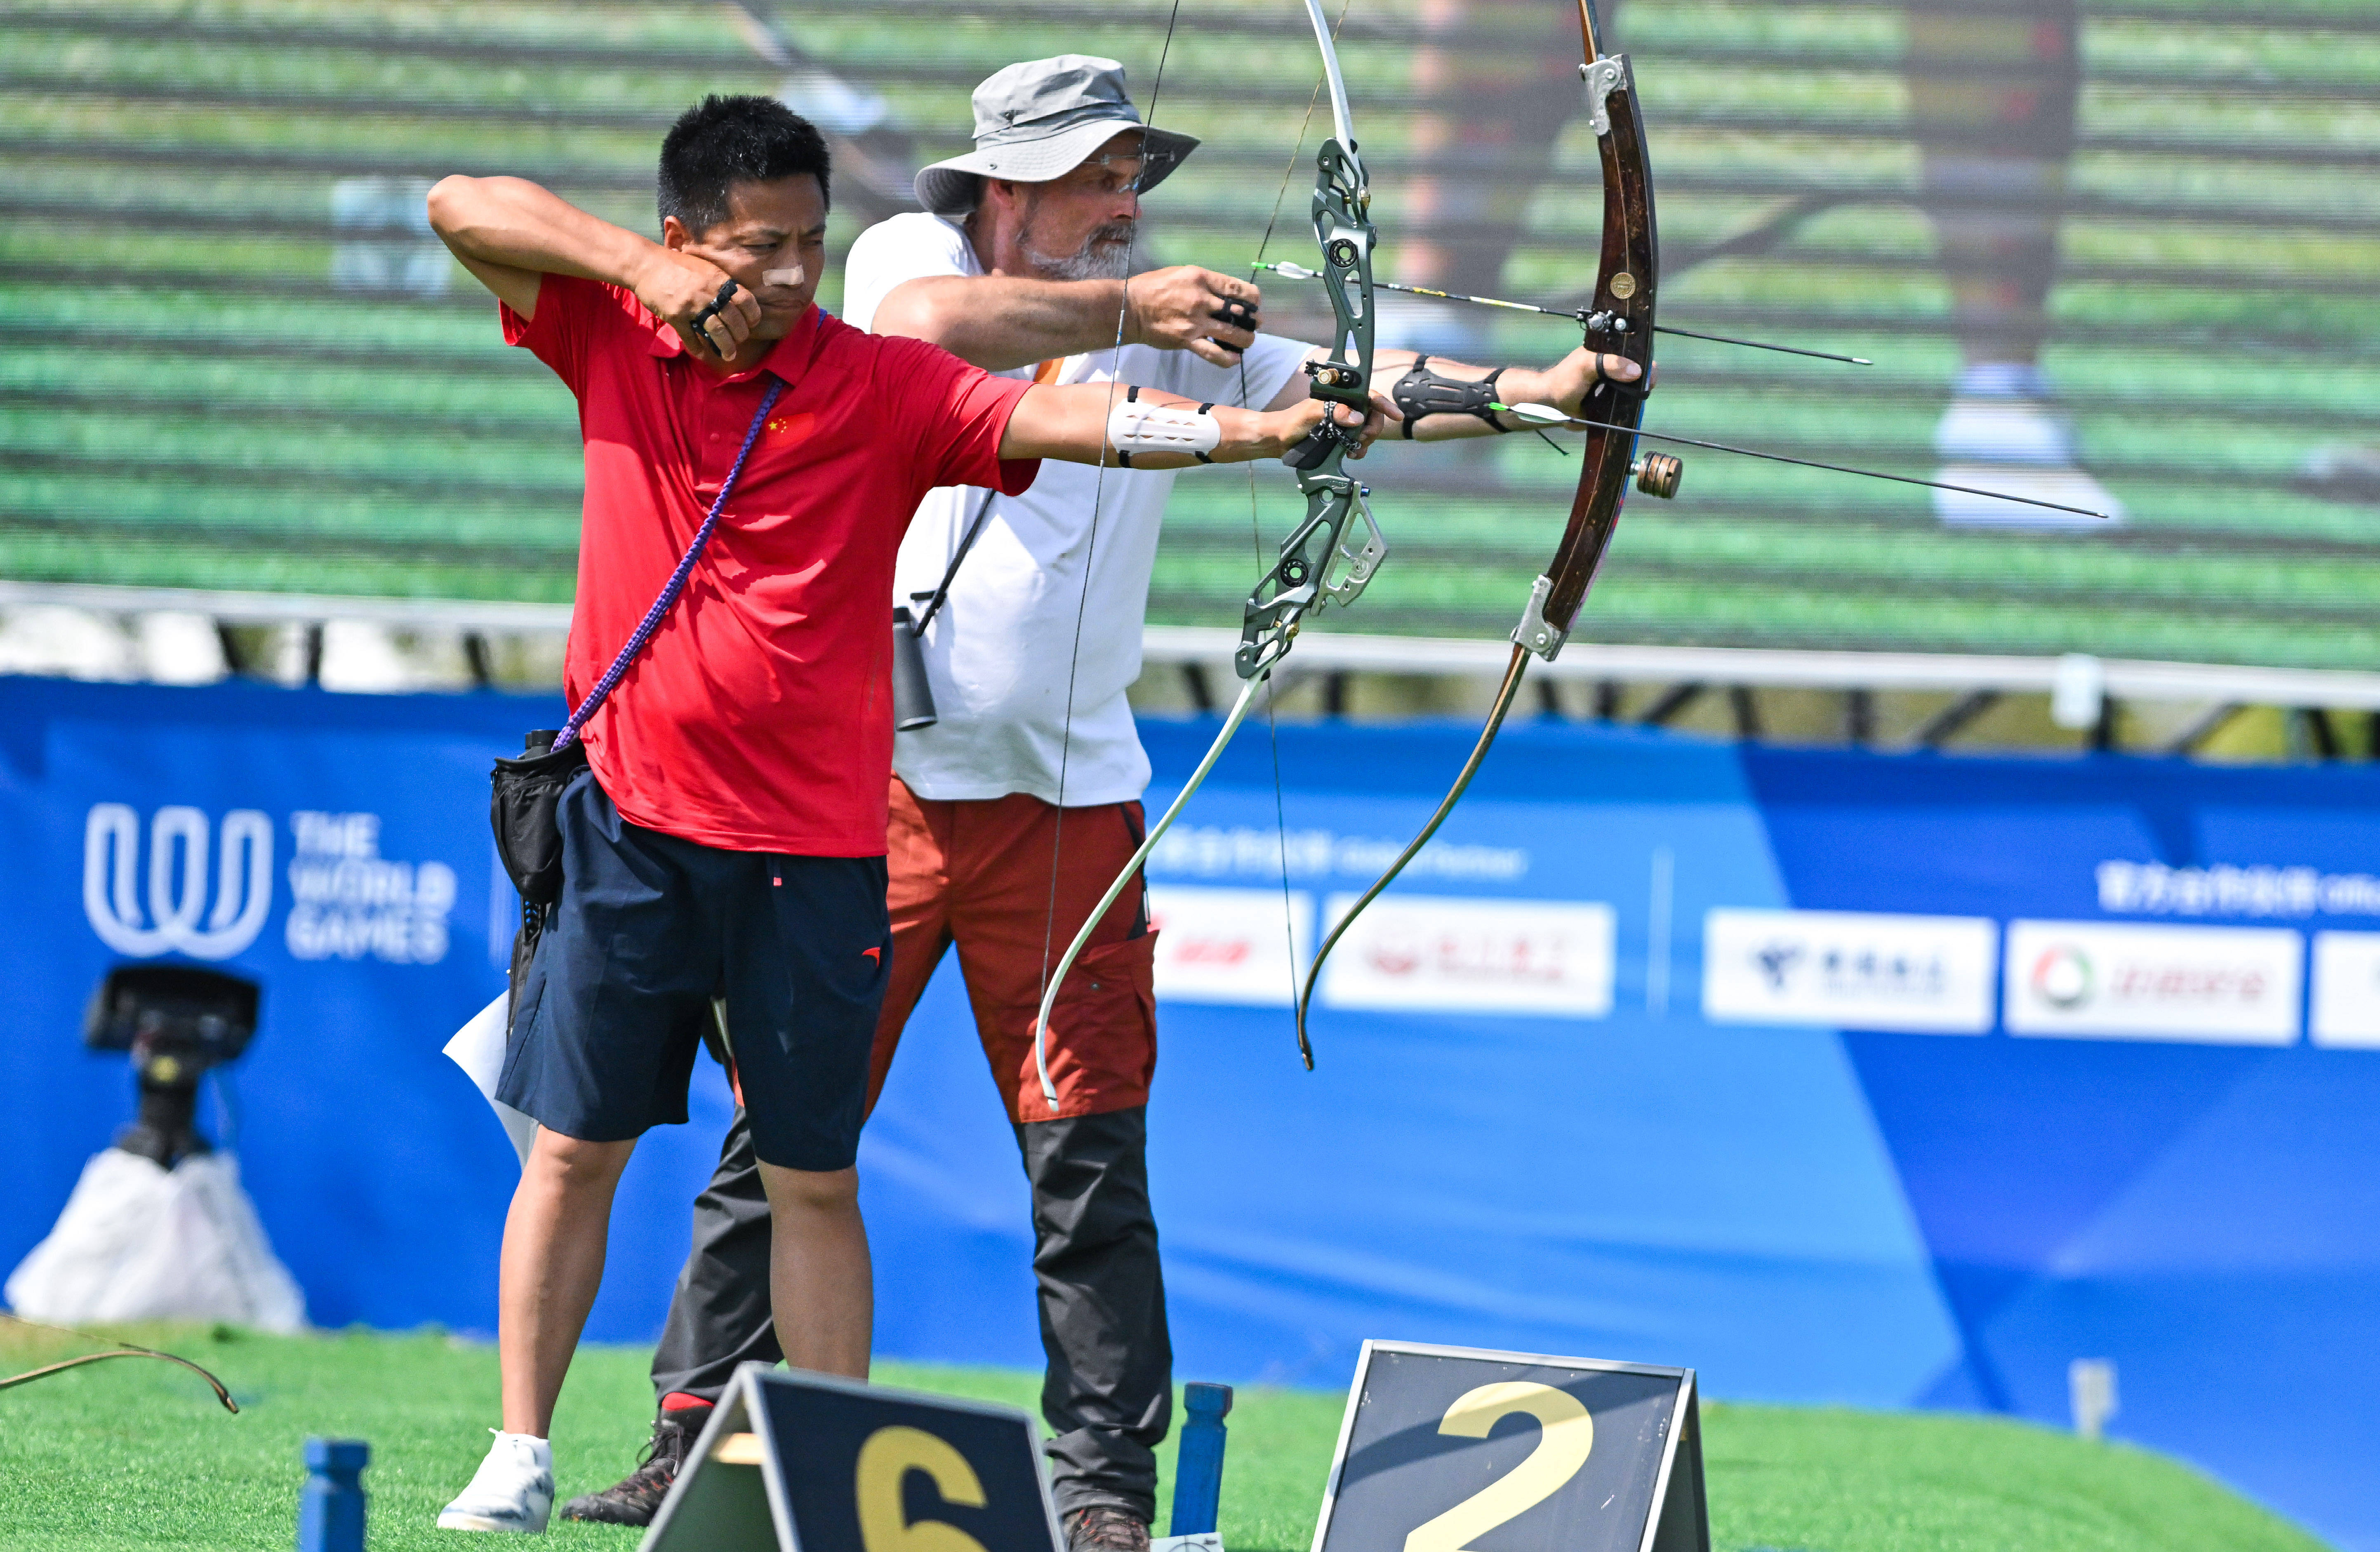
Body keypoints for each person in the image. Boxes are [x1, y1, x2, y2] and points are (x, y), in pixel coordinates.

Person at [558, 59, 1648, 1551]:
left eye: (1134, 175)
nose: (1125, 203)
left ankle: (1101, 1487)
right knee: (785, 1143)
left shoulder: (1178, 320)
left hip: (1069, 811)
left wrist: (1532, 395)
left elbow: (1348, 394)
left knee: (1086, 1159)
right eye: (1094, 176)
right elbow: (928, 331)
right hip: (864, 802)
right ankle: (698, 1442)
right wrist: (1132, 314)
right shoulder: (904, 261)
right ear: (1003, 185)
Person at [420, 91, 1363, 1536]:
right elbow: (460, 199)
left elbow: (1071, 414)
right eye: (755, 253)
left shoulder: (874, 377)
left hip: (813, 848)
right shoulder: (616, 331)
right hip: (632, 823)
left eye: (807, 244)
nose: (791, 279)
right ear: (685, 243)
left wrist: (1252, 435)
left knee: (811, 1172)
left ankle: (835, 1468)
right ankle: (520, 1448)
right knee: (572, 1149)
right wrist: (640, 272)